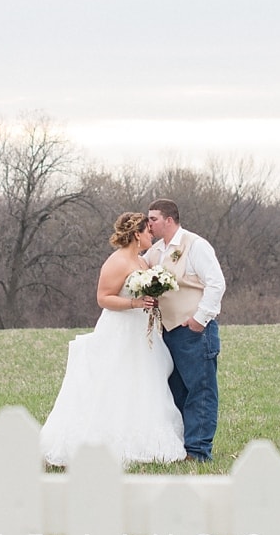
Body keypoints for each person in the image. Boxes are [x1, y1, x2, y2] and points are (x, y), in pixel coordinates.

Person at [39, 212, 187, 466]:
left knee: (144, 381)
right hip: (120, 330)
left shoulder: (142, 262)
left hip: (142, 332)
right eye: (147, 231)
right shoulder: (116, 262)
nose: (151, 234)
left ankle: (147, 439)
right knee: (116, 382)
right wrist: (134, 302)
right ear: (136, 234)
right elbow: (103, 298)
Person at [144, 199, 225, 462]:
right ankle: (180, 446)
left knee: (200, 391)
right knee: (176, 390)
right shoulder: (155, 251)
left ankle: (199, 451)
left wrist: (200, 319)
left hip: (194, 331)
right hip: (167, 332)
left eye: (153, 219)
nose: (149, 224)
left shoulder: (195, 245)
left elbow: (216, 284)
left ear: (169, 220)